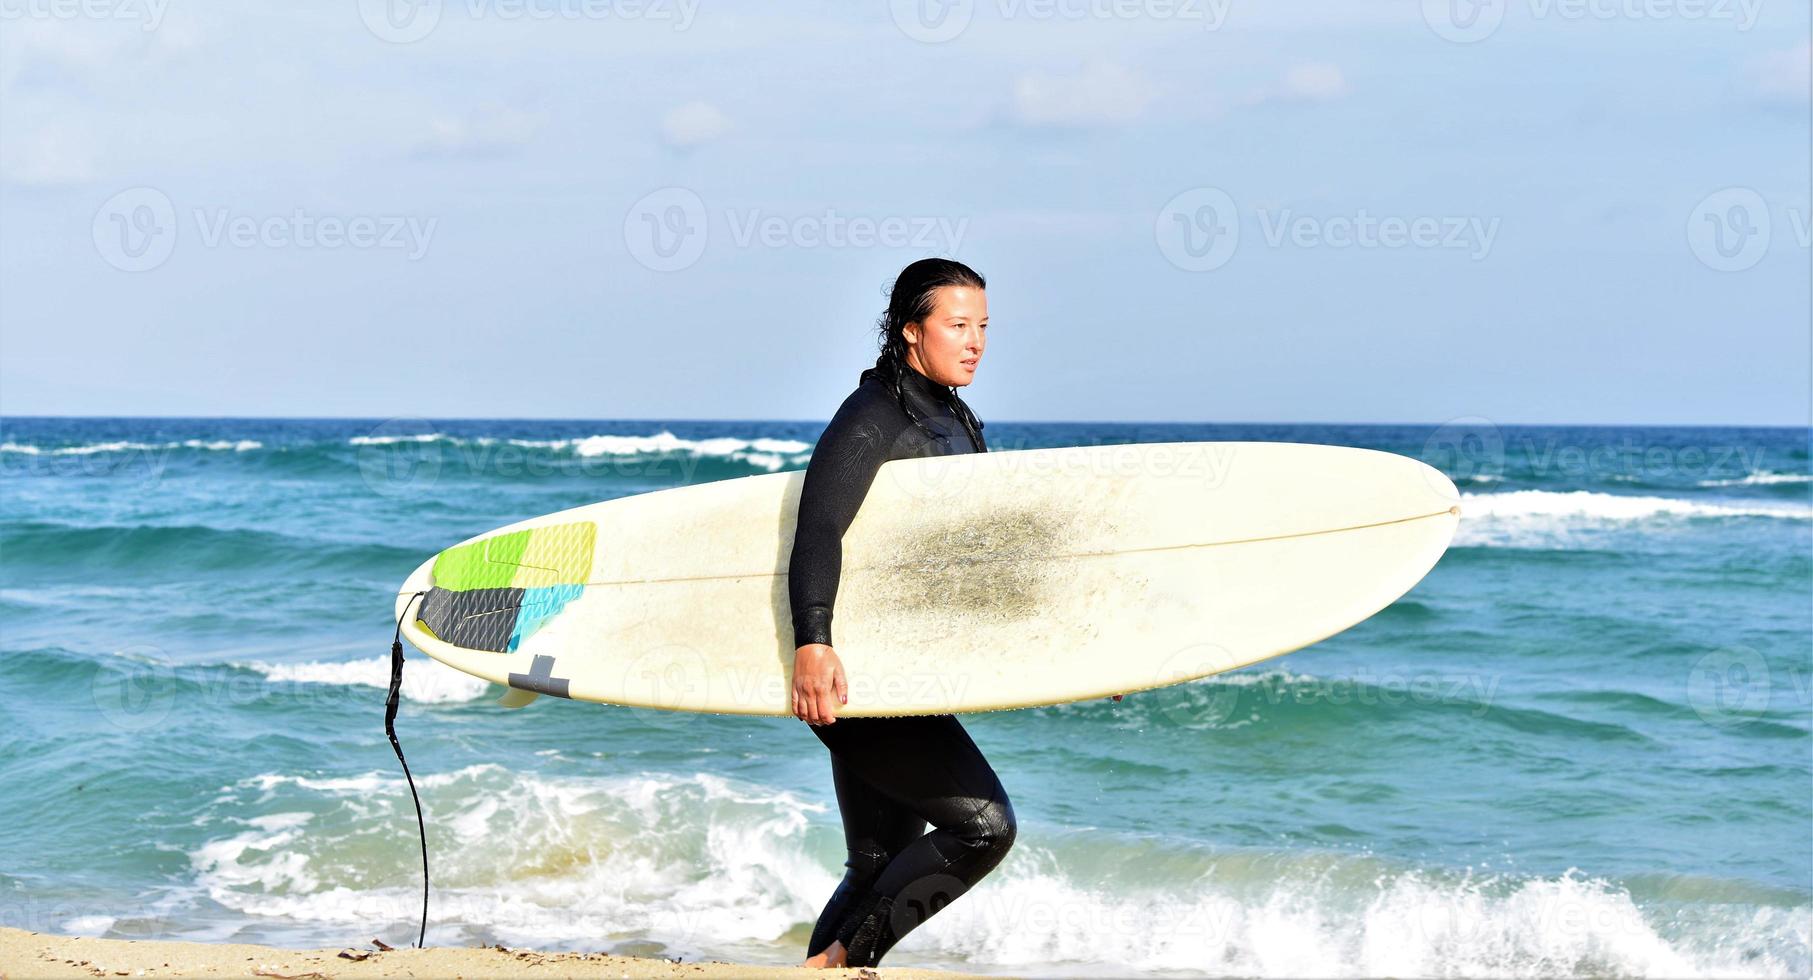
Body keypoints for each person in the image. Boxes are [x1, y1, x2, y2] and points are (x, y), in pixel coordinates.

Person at [790, 258, 1015, 969]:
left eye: (982, 326)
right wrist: (813, 642)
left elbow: (976, 556)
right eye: (957, 325)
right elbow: (818, 527)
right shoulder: (875, 415)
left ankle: (826, 969)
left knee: (876, 859)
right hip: (856, 673)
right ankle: (838, 967)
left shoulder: (953, 415)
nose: (974, 340)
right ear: (912, 332)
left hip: (905, 668)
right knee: (983, 829)